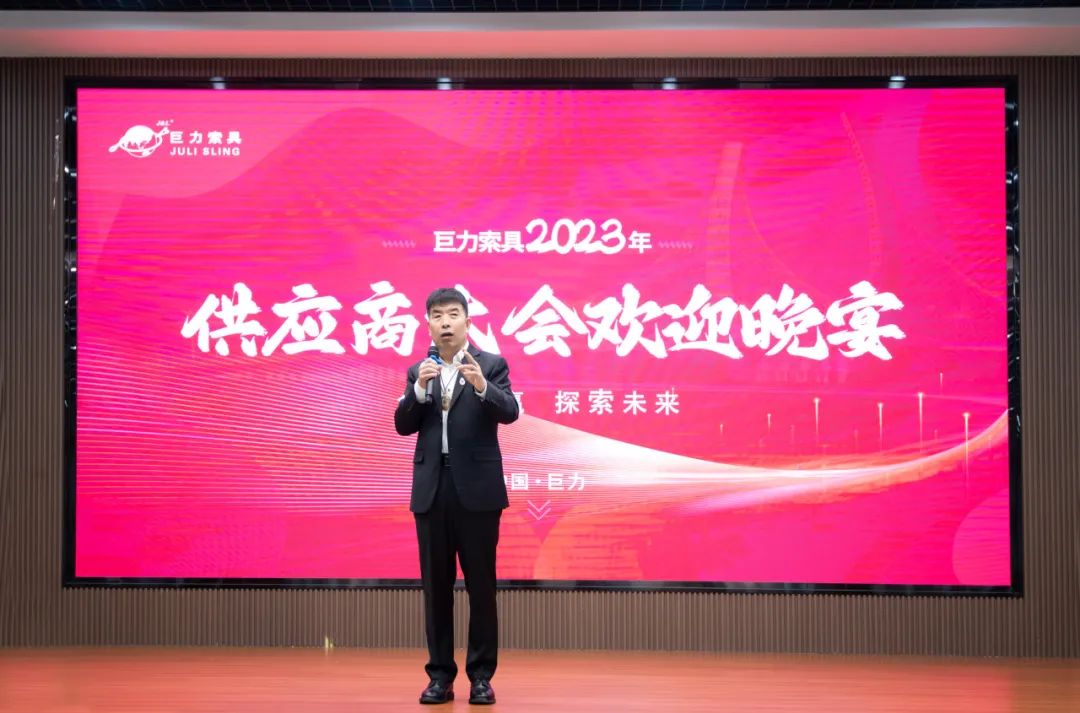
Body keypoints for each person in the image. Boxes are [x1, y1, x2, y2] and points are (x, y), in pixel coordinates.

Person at [394, 287, 519, 705]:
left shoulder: (492, 364)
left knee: (481, 587)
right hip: (432, 490)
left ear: (467, 321)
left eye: (452, 314)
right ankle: (440, 677)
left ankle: (481, 677)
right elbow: (402, 425)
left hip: (478, 492)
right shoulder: (419, 371)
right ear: (428, 324)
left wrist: (482, 386)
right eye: (437, 315)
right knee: (436, 588)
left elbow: (510, 412)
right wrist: (418, 391)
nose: (445, 322)